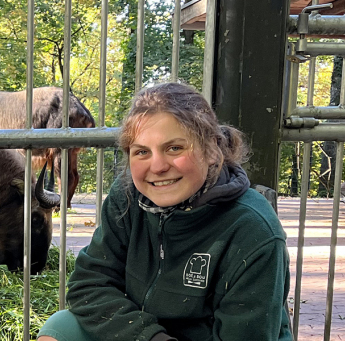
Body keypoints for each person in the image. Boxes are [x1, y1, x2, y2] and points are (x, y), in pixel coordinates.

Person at [36, 83, 292, 341]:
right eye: (142, 152)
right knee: (62, 327)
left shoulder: (253, 228)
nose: (157, 166)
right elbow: (88, 285)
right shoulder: (126, 197)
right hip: (147, 334)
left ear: (212, 150)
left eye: (174, 148)